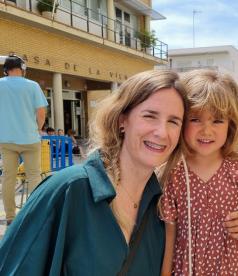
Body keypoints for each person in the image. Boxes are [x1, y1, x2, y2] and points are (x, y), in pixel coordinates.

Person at [0, 70, 187, 275]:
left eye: (173, 121)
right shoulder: (67, 190)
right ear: (121, 120)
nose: (162, 132)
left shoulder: (162, 208)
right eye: (150, 116)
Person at [160, 70, 238, 276]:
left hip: (234, 269)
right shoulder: (174, 171)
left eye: (217, 121)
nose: (207, 130)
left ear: (231, 124)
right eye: (195, 119)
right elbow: (170, 231)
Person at [0, 54, 48, 229]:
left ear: (5, 69)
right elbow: (40, 114)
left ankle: (11, 217)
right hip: (29, 138)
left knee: (8, 178)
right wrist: (38, 128)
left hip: (5, 139)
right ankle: (34, 214)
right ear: (22, 68)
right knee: (34, 174)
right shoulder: (32, 86)